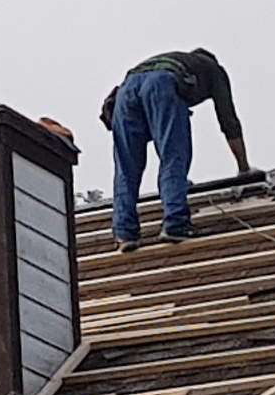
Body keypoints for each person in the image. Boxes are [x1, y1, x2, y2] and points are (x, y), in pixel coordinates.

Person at [100, 47, 251, 248]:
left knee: (126, 168)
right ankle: (176, 223)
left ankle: (124, 233)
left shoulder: (173, 61)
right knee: (173, 157)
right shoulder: (214, 70)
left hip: (125, 91)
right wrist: (243, 168)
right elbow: (228, 121)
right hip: (161, 83)